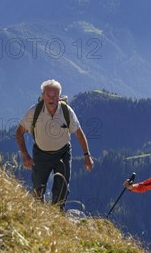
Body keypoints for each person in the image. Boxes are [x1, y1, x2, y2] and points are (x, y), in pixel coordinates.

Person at [16, 79, 93, 209]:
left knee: (62, 188)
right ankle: (38, 214)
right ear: (42, 96)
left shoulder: (67, 111)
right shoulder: (34, 112)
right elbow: (19, 133)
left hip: (63, 153)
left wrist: (87, 155)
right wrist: (25, 155)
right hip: (40, 155)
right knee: (38, 188)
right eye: (48, 95)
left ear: (59, 97)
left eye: (54, 96)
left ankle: (58, 214)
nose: (51, 99)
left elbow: (79, 134)